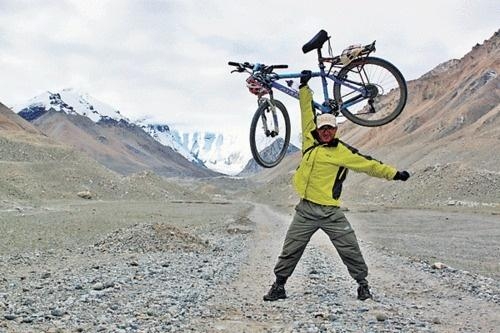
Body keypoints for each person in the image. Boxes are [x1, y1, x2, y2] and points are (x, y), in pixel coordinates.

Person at [263, 70, 410, 302]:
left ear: (335, 130)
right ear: (318, 130)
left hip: (331, 212)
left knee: (349, 248)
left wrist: (394, 174)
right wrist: (303, 87)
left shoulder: (342, 152)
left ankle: (363, 286)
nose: (326, 132)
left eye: (330, 128)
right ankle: (279, 286)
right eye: (323, 129)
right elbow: (306, 114)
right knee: (290, 249)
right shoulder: (309, 142)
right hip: (306, 211)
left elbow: (368, 165)